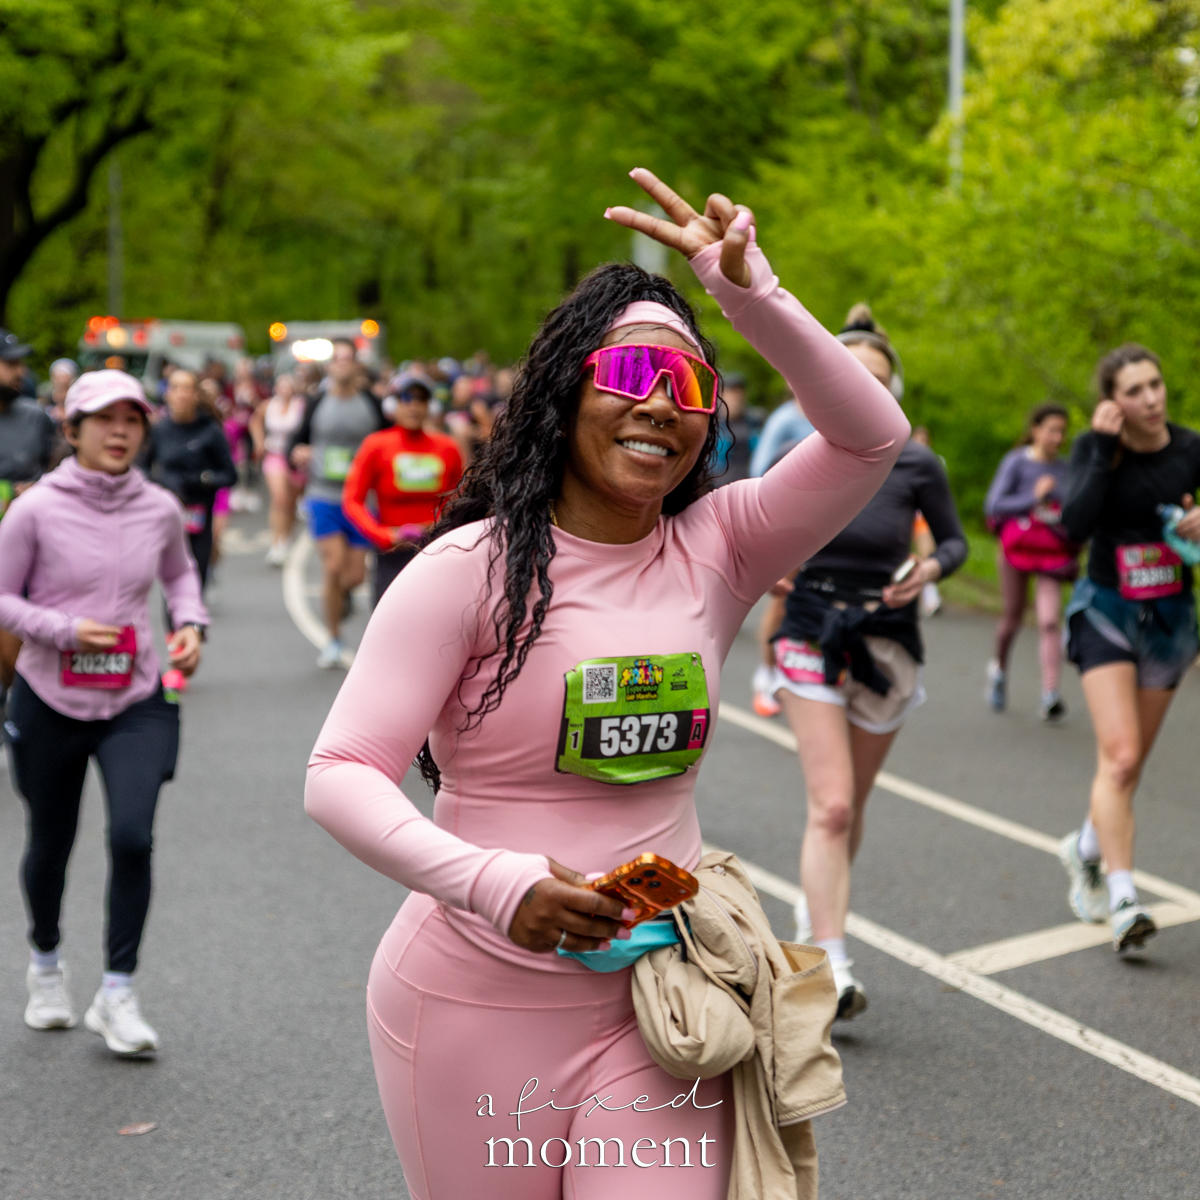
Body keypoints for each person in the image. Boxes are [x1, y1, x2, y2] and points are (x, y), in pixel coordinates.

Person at [303, 169, 909, 1199]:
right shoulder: (469, 570)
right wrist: (499, 888)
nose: (660, 404)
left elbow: (870, 435)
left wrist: (748, 291)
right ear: (565, 390)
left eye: (690, 385)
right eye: (630, 370)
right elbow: (342, 771)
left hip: (659, 999)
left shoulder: (720, 546)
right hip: (474, 1005)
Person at [766, 304, 965, 1018]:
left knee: (851, 808)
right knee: (836, 802)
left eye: (878, 382)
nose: (863, 392)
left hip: (887, 636)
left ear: (893, 393)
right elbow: (751, 518)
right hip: (813, 627)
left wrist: (931, 570)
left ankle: (813, 917)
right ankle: (831, 961)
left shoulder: (916, 461)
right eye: (849, 378)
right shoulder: (800, 446)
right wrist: (771, 564)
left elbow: (954, 544)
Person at [0, 369, 206, 1054]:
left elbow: (178, 573)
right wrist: (62, 629)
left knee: (130, 835)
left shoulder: (159, 507)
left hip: (136, 697)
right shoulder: (35, 509)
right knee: (50, 841)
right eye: (103, 419)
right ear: (73, 429)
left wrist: (190, 622)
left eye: (132, 420)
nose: (119, 432)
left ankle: (117, 991)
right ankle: (46, 965)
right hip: (49, 695)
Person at [1057, 344, 1200, 952]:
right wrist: (1099, 449)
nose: (1150, 398)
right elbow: (1074, 525)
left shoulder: (1192, 449)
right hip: (1107, 611)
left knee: (1131, 762)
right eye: (1135, 390)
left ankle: (1084, 846)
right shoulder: (1096, 449)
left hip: (1170, 619)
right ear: (1114, 401)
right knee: (1118, 757)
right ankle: (1123, 899)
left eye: (1156, 384)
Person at [288, 338, 386, 667]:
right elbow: (297, 441)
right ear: (330, 366)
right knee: (331, 567)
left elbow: (389, 441)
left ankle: (342, 597)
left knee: (354, 576)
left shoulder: (372, 404)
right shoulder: (316, 402)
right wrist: (297, 453)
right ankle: (332, 638)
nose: (343, 363)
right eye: (337, 358)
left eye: (349, 358)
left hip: (361, 497)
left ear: (358, 364)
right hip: (323, 495)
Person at [984, 403, 1078, 720]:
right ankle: (999, 670)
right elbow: (994, 505)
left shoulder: (1066, 469)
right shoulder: (1016, 463)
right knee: (1012, 618)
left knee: (1050, 621)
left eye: (1062, 431)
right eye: (1052, 429)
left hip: (1050, 552)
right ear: (1036, 429)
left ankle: (1050, 693)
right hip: (1016, 549)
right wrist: (1034, 497)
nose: (1058, 437)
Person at [342, 372, 463, 607]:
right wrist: (384, 536)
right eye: (406, 398)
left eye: (421, 399)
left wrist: (440, 529)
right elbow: (352, 500)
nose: (414, 406)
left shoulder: (448, 448)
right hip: (392, 555)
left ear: (431, 406)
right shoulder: (375, 446)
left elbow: (461, 498)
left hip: (437, 553)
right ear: (392, 405)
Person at [143, 369, 237, 609]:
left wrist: (202, 479)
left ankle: (190, 632)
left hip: (198, 518)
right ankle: (177, 637)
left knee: (194, 588)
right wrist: (162, 484)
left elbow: (230, 475)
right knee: (170, 594)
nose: (181, 395)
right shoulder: (159, 430)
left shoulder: (210, 431)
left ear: (196, 395)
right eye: (176, 388)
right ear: (168, 394)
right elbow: (140, 470)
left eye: (187, 388)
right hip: (167, 517)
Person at [250, 372, 307, 565]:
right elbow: (254, 421)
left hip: (294, 459)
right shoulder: (268, 405)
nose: (285, 390)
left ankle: (286, 537)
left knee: (291, 503)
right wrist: (259, 442)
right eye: (281, 386)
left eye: (288, 386)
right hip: (274, 455)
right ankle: (276, 543)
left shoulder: (301, 406)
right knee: (279, 498)